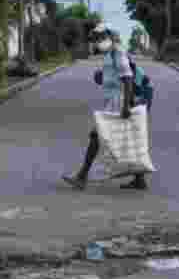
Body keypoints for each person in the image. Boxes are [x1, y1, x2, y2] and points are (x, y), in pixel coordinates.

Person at [63, 30, 148, 191]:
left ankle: (81, 177)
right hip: (114, 101)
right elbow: (114, 77)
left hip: (119, 101)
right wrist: (101, 77)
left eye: (100, 39)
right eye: (96, 39)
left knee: (96, 135)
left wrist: (126, 106)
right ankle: (139, 179)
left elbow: (128, 78)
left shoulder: (118, 53)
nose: (97, 42)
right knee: (128, 138)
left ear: (109, 38)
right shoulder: (110, 54)